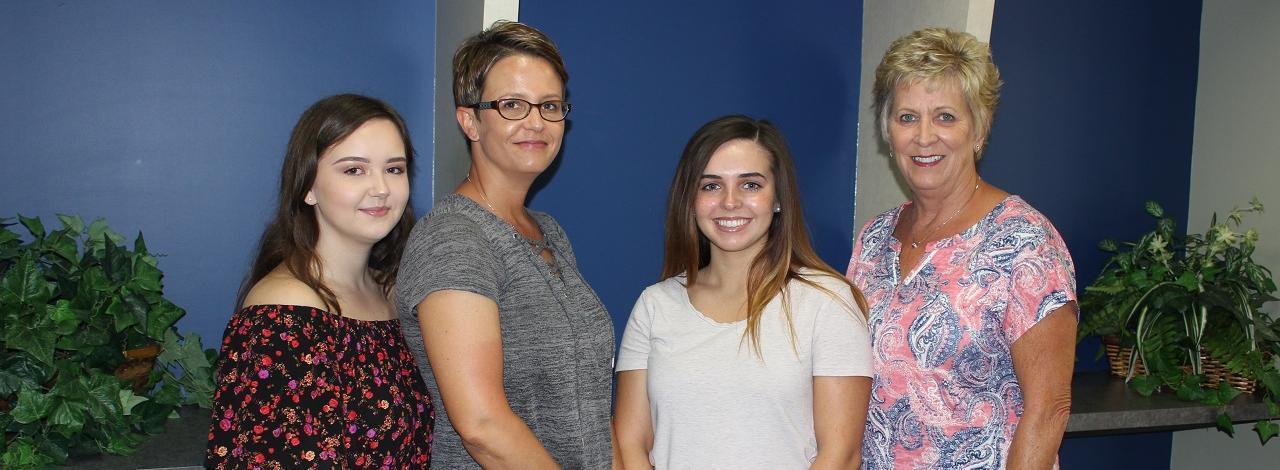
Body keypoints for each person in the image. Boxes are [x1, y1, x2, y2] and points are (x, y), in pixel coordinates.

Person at [847, 27, 1078, 469]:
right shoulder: (874, 239)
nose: (924, 136)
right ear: (887, 132)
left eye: (946, 117)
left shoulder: (1023, 241)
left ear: (978, 129)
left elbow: (1048, 409)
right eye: (907, 117)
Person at [396, 21, 614, 469]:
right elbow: (482, 425)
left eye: (550, 105)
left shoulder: (549, 231)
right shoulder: (454, 239)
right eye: (512, 104)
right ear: (470, 120)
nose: (536, 121)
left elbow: (589, 401)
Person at [614, 115, 874, 469]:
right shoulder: (654, 305)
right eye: (711, 186)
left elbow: (840, 456)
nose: (730, 202)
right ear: (690, 200)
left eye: (750, 185)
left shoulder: (828, 303)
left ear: (778, 198)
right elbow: (631, 445)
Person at [206, 94, 434, 468]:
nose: (381, 188)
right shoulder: (282, 316)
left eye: (394, 169)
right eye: (354, 170)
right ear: (307, 186)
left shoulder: (396, 291)